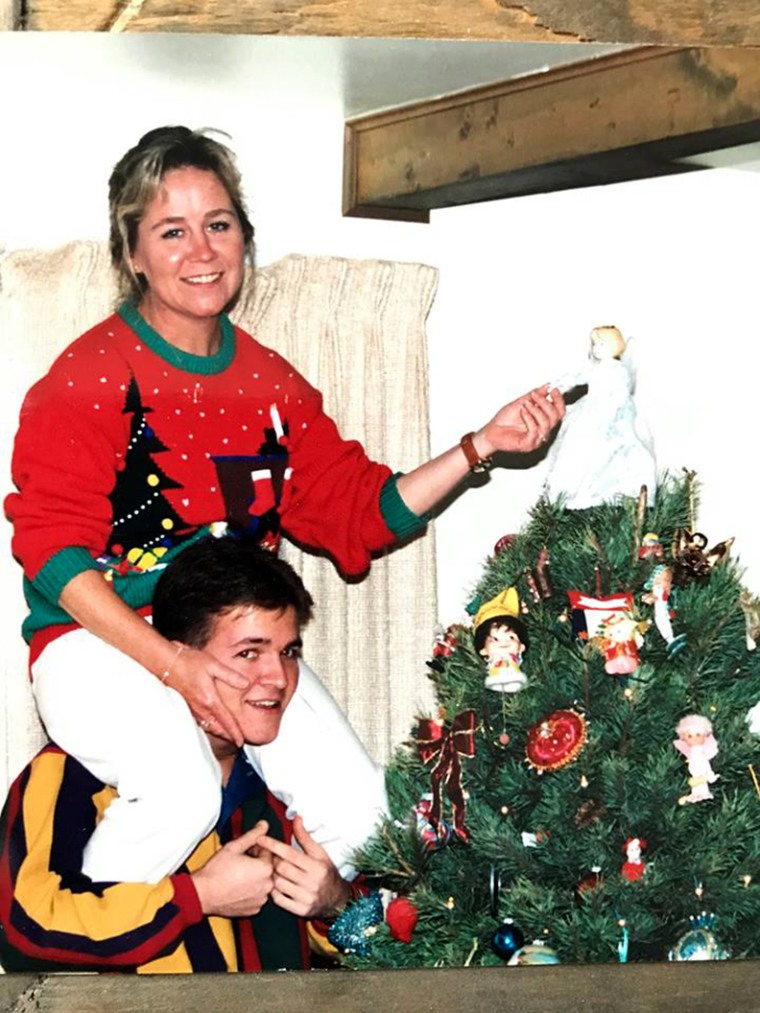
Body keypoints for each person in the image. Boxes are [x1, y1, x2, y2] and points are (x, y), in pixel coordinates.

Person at [4, 125, 565, 886]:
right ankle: (76, 956)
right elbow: (54, 553)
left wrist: (480, 446)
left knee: (373, 824)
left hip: (236, 645)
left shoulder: (271, 385)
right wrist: (173, 666)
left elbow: (358, 511)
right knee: (184, 790)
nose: (201, 250)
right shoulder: (88, 378)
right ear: (132, 252)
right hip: (95, 640)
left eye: (219, 224)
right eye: (172, 230)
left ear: (243, 239)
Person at [0, 538, 355, 973]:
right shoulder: (71, 774)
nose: (279, 677)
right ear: (180, 660)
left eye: (289, 652)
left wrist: (334, 900)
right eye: (249, 653)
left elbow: (392, 949)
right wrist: (197, 897)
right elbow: (23, 931)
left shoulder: (296, 787)